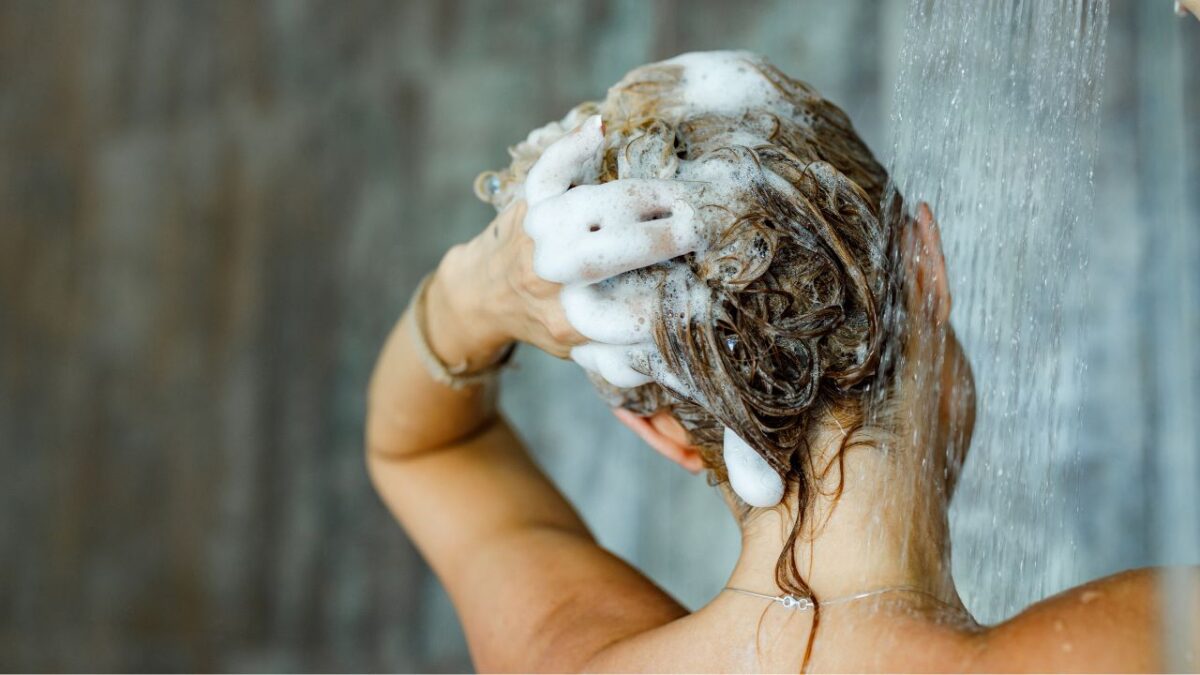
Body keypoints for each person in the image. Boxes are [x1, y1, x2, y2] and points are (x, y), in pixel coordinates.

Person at [366, 52, 1197, 672]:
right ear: (926, 270)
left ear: (662, 432)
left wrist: (480, 289)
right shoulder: (1140, 641)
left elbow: (423, 447)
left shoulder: (570, 657)